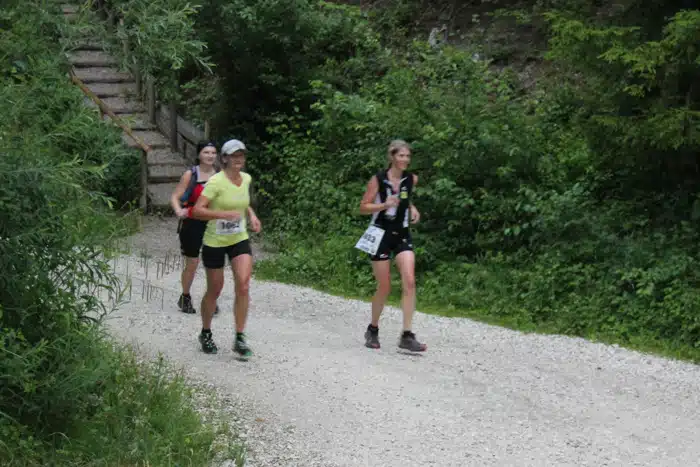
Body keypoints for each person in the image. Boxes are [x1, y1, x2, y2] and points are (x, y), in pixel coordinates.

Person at [191, 139, 262, 358]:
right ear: (225, 159)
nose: (239, 159)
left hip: (239, 238)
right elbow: (197, 210)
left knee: (243, 284)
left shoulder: (246, 179)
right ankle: (205, 332)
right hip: (215, 241)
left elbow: (242, 202)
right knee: (215, 289)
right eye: (234, 156)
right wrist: (222, 214)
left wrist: (251, 215)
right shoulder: (215, 182)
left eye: (241, 155)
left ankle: (239, 337)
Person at [358, 139, 427, 352]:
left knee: (410, 281)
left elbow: (405, 198)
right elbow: (363, 207)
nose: (405, 160)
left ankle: (407, 335)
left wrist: (412, 208)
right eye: (401, 156)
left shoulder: (411, 179)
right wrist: (384, 205)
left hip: (402, 233)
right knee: (385, 286)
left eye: (407, 156)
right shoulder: (378, 179)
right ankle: (373, 329)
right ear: (392, 157)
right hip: (381, 233)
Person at [170, 140, 221, 315]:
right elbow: (175, 197)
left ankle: (211, 299)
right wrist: (179, 211)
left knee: (213, 264)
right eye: (206, 152)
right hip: (192, 222)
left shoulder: (220, 176)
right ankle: (185, 296)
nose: (210, 156)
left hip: (213, 223)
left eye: (213, 153)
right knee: (192, 263)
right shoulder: (190, 174)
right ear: (199, 154)